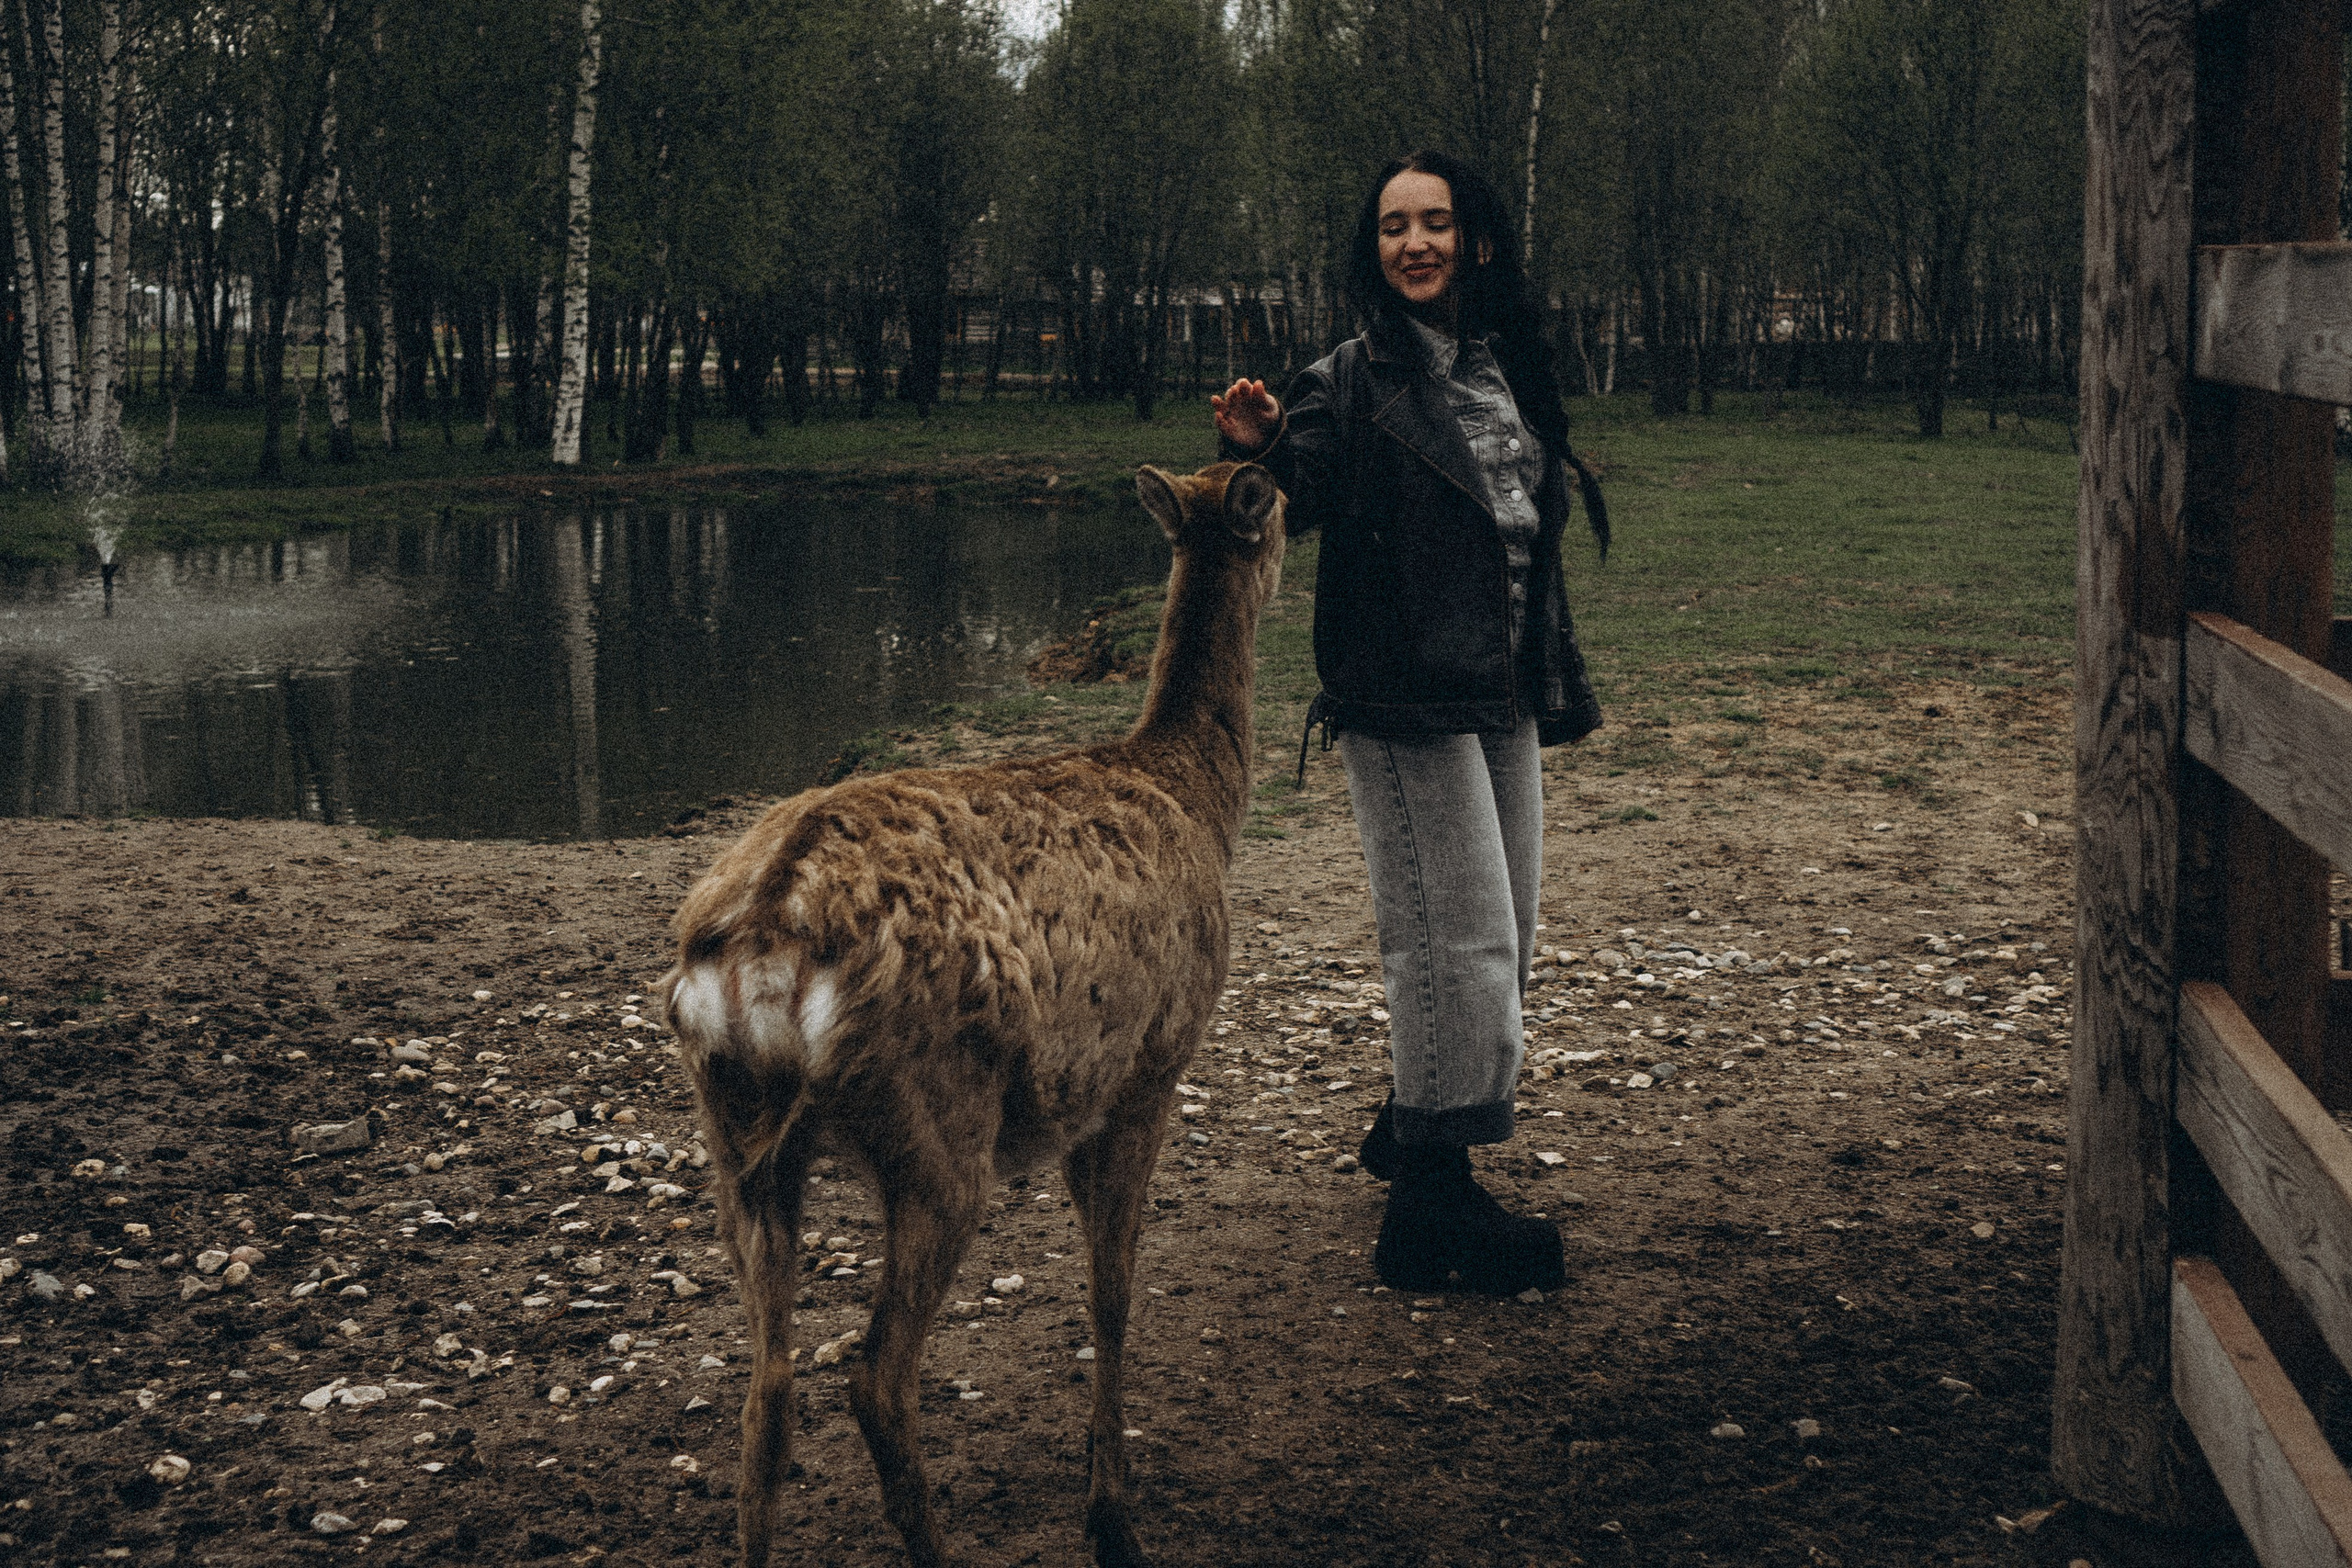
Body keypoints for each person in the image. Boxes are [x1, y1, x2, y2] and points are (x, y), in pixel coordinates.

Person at [1211, 149, 1608, 1294]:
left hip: (1497, 689)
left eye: (1435, 223)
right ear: (1373, 251)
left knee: (1508, 937)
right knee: (1455, 940)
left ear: (1475, 239)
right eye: (1393, 228)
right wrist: (1255, 453)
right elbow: (1300, 488)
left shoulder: (1502, 367)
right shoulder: (1349, 378)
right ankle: (1428, 1210)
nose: (1415, 244)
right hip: (1401, 696)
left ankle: (1409, 1112)